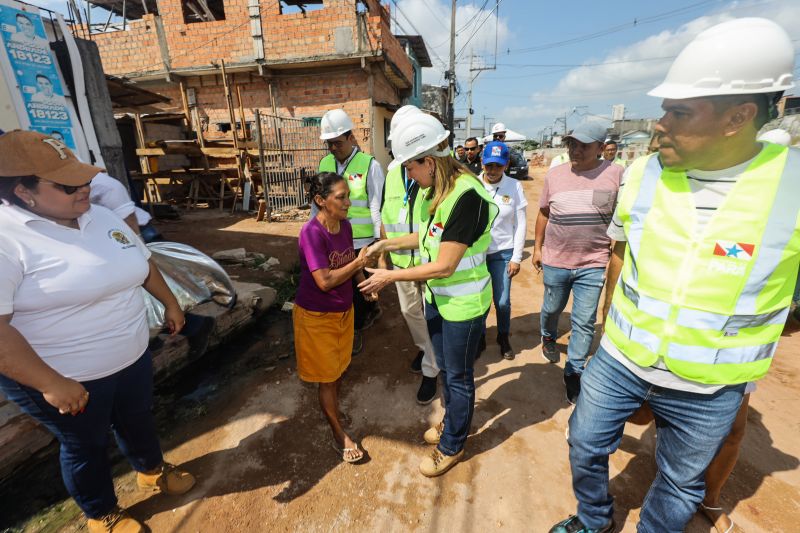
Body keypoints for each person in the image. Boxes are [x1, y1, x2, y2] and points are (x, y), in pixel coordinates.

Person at [550, 18, 799, 533]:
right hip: (621, 358)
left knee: (680, 482)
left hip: (710, 383)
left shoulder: (791, 187)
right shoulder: (643, 174)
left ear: (739, 117)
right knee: (584, 442)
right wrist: (605, 326)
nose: (659, 125)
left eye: (679, 112)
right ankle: (593, 520)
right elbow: (620, 256)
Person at [0, 131, 195, 533]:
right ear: (23, 191)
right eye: (68, 185)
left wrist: (170, 302)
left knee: (137, 418)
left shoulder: (100, 216)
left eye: (84, 179)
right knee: (85, 444)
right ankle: (100, 511)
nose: (84, 189)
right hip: (63, 374)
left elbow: (142, 261)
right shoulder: (7, 239)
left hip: (131, 355)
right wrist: (50, 383)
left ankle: (150, 470)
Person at [360, 110, 498, 477]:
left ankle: (452, 444)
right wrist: (384, 245)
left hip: (464, 305)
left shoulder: (467, 196)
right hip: (439, 300)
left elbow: (444, 265)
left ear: (431, 161)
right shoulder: (431, 192)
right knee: (446, 370)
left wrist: (390, 277)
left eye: (410, 166)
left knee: (458, 377)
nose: (408, 174)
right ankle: (453, 421)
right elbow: (424, 237)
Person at [533, 122, 623, 404]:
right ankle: (548, 336)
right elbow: (544, 213)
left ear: (601, 147)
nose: (576, 150)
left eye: (584, 145)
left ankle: (574, 370)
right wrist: (537, 248)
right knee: (552, 308)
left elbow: (622, 218)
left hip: (593, 262)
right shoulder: (555, 175)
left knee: (584, 320)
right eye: (572, 144)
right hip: (556, 259)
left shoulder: (616, 175)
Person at [294, 171, 376, 464]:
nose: (348, 202)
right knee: (328, 379)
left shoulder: (345, 226)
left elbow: (351, 263)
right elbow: (325, 281)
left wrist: (363, 284)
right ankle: (338, 433)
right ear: (320, 200)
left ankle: (333, 413)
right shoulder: (311, 233)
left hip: (344, 312)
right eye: (341, 197)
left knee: (339, 370)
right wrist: (359, 262)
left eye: (348, 196)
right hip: (316, 318)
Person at [380, 105, 440, 404]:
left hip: (431, 262)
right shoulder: (393, 174)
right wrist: (383, 254)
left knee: (433, 315)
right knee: (410, 313)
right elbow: (385, 215)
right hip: (402, 262)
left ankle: (431, 368)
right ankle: (427, 351)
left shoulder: (437, 173)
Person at [317, 109, 385, 354]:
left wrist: (378, 241)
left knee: (359, 288)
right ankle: (355, 320)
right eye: (329, 143)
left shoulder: (369, 165)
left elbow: (376, 204)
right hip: (333, 237)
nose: (333, 148)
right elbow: (318, 201)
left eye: (337, 142)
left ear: (350, 137)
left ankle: (357, 328)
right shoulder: (325, 163)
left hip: (361, 240)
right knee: (340, 286)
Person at [479, 141, 527, 360]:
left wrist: (516, 257)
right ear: (482, 162)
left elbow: (521, 223)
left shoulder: (514, 186)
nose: (492, 170)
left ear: (506, 164)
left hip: (503, 252)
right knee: (479, 300)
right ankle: (479, 336)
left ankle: (503, 335)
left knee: (502, 301)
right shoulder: (473, 184)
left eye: (498, 166)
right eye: (489, 165)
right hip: (477, 254)